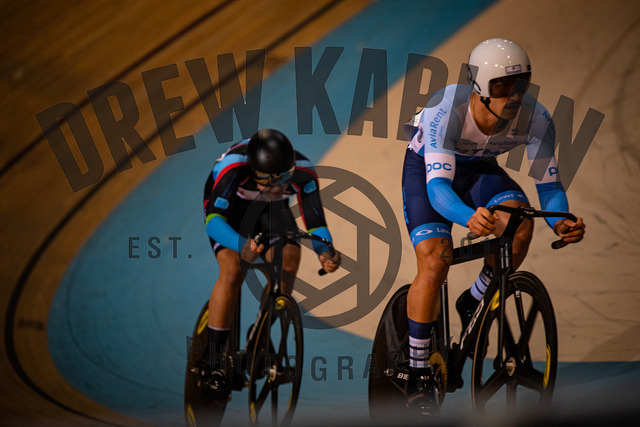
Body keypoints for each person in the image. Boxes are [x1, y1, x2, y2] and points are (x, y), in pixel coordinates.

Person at [401, 38, 586, 415]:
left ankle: (475, 299)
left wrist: (560, 222)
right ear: (480, 87)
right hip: (427, 172)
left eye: (521, 84)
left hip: (480, 169)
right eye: (502, 86)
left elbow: (549, 187)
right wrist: (466, 216)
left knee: (519, 222)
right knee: (435, 261)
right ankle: (417, 371)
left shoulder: (536, 118)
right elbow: (438, 190)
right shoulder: (446, 109)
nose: (514, 95)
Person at [197, 128, 341, 399]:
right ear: (253, 172)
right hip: (229, 211)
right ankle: (213, 362)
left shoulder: (303, 171)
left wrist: (325, 250)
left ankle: (259, 333)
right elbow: (214, 223)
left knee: (288, 262)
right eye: (270, 181)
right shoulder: (233, 168)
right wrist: (242, 244)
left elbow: (316, 223)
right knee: (232, 271)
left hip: (270, 210)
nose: (278, 187)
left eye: (284, 179)